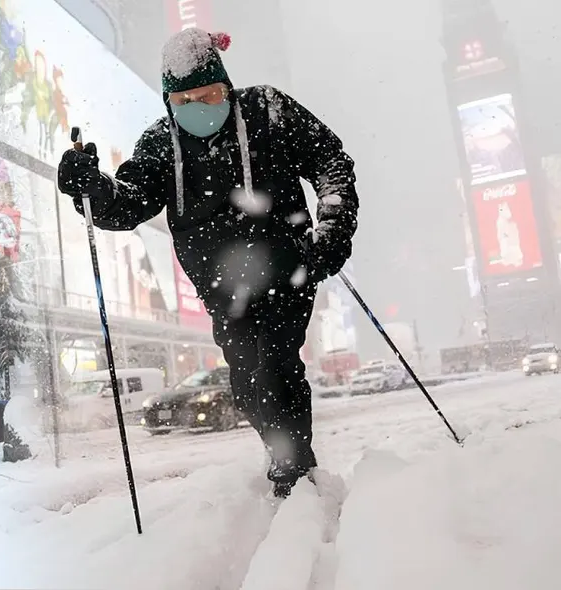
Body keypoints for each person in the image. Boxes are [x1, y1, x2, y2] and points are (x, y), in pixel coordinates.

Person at [56, 28, 360, 498]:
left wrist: (333, 230)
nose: (200, 107)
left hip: (289, 269)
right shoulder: (162, 144)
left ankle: (294, 473)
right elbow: (130, 202)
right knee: (246, 385)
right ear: (168, 102)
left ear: (228, 87)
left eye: (212, 94)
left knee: (277, 366)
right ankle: (281, 450)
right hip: (221, 287)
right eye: (185, 100)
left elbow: (330, 162)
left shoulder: (267, 111)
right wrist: (93, 189)